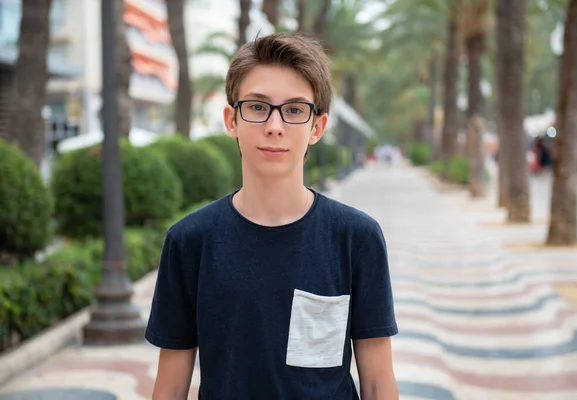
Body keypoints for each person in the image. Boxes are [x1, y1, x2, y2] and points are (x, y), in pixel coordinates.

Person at [145, 32, 399, 400]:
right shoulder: (190, 241)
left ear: (317, 127)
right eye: (258, 107)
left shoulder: (356, 238)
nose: (274, 126)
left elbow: (377, 382)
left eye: (295, 110)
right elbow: (169, 387)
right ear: (232, 120)